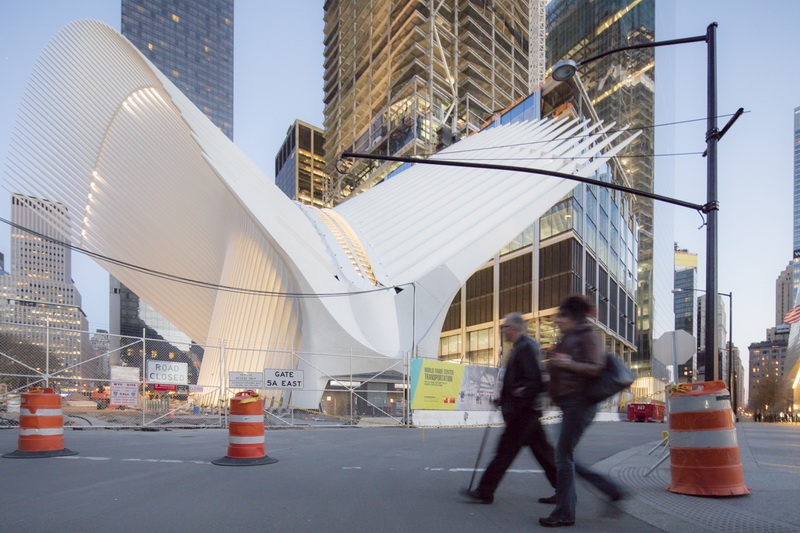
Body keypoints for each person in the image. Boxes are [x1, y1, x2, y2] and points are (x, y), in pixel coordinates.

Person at [539, 295, 625, 528]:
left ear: (573, 317)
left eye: (562, 316)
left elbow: (596, 368)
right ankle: (609, 491)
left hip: (580, 404)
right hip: (569, 404)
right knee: (564, 457)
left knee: (563, 456)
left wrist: (569, 364)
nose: (557, 320)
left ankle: (565, 512)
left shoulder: (589, 336)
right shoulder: (569, 338)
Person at [461, 312, 557, 504]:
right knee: (543, 453)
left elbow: (534, 379)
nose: (503, 330)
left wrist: (522, 393)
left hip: (523, 413)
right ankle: (565, 491)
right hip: (526, 412)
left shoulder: (525, 347)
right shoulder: (520, 347)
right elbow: (521, 380)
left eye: (506, 327)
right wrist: (503, 398)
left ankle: (485, 491)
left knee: (504, 453)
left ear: (516, 328)